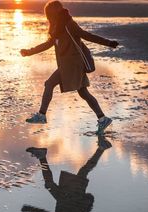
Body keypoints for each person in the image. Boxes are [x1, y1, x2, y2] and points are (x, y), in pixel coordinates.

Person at [20, 0, 119, 134]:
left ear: (53, 13)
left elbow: (87, 36)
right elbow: (48, 44)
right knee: (83, 92)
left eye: (49, 14)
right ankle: (102, 119)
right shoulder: (56, 28)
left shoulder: (69, 24)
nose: (48, 16)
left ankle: (42, 115)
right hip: (68, 65)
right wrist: (29, 51)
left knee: (49, 84)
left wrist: (108, 43)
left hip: (73, 65)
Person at [22, 136, 116, 212]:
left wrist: (30, 209)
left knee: (52, 183)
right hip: (73, 201)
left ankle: (42, 156)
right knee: (82, 172)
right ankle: (102, 148)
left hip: (65, 199)